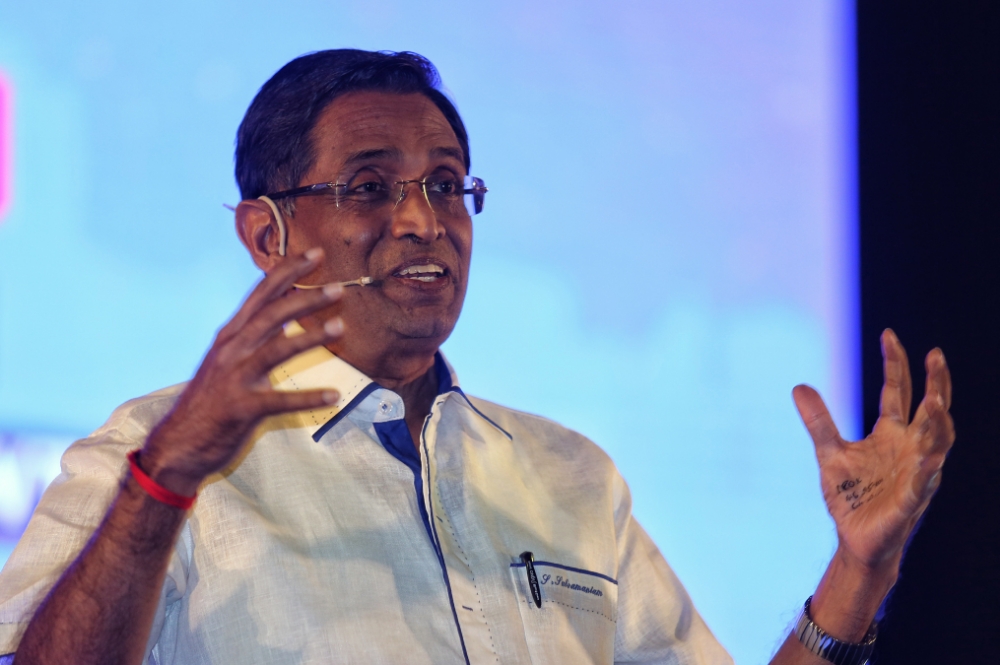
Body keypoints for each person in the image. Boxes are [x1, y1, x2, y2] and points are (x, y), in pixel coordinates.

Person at [0, 50, 954, 665]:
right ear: (268, 232)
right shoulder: (153, 451)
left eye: (448, 185)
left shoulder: (569, 475)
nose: (424, 220)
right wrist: (164, 479)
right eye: (372, 186)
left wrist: (858, 571)